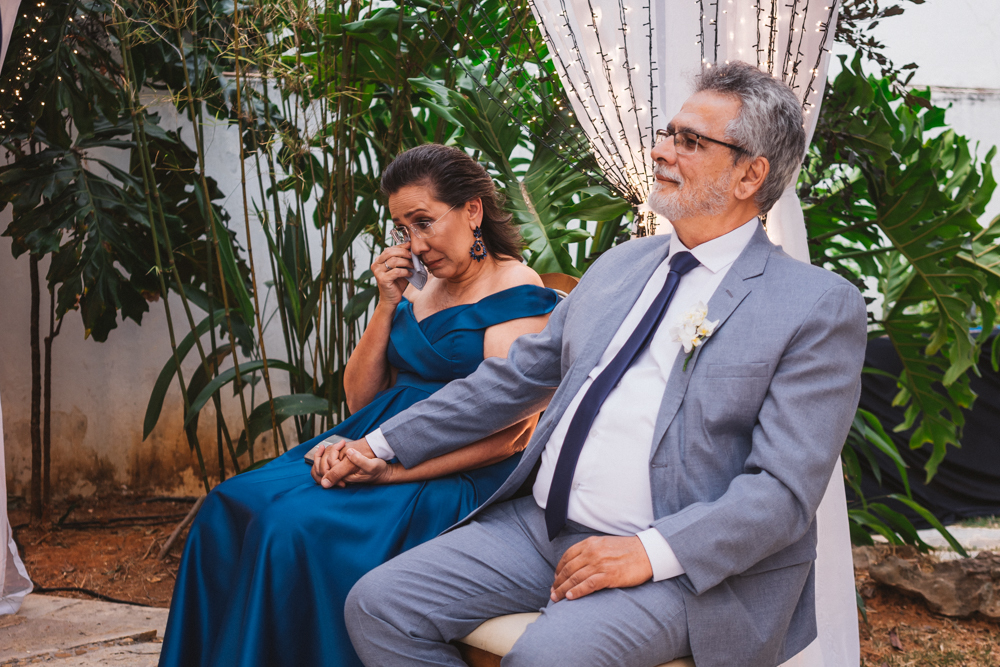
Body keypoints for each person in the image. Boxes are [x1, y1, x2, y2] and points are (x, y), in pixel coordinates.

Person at [333, 62, 868, 667]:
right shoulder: (621, 266)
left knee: (545, 661)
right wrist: (378, 444)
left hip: (683, 569)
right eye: (668, 133)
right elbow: (514, 379)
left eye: (691, 141)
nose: (661, 151)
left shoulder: (815, 306)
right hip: (542, 529)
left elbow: (782, 492)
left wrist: (647, 552)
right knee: (379, 605)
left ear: (751, 175)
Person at [157, 144, 558, 667]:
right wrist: (387, 304)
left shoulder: (515, 287)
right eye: (402, 229)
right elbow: (360, 399)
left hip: (452, 468)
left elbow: (511, 433)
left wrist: (391, 472)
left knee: (289, 526)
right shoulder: (418, 283)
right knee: (227, 504)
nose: (415, 244)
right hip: (369, 437)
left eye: (424, 222)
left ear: (472, 211)